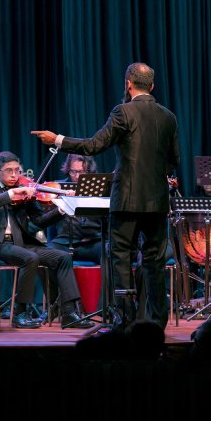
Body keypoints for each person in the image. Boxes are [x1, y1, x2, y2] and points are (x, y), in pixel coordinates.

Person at [32, 61, 180, 327]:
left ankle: (124, 321)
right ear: (153, 85)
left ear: (128, 84)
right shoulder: (168, 116)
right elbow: (174, 160)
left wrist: (57, 139)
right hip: (157, 201)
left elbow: (93, 146)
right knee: (154, 261)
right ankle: (157, 323)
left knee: (121, 256)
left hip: (127, 199)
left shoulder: (123, 112)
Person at [0, 151, 87, 329]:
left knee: (63, 257)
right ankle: (20, 313)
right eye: (9, 171)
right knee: (29, 258)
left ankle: (69, 313)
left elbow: (39, 222)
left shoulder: (27, 190)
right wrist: (11, 194)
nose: (14, 175)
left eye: (17, 170)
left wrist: (61, 209)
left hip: (23, 243)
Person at [45, 154, 103, 262]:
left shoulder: (99, 189)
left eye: (81, 172)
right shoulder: (57, 188)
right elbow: (46, 218)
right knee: (48, 254)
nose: (76, 176)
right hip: (65, 242)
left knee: (109, 251)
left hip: (93, 242)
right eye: (73, 171)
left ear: (89, 171)